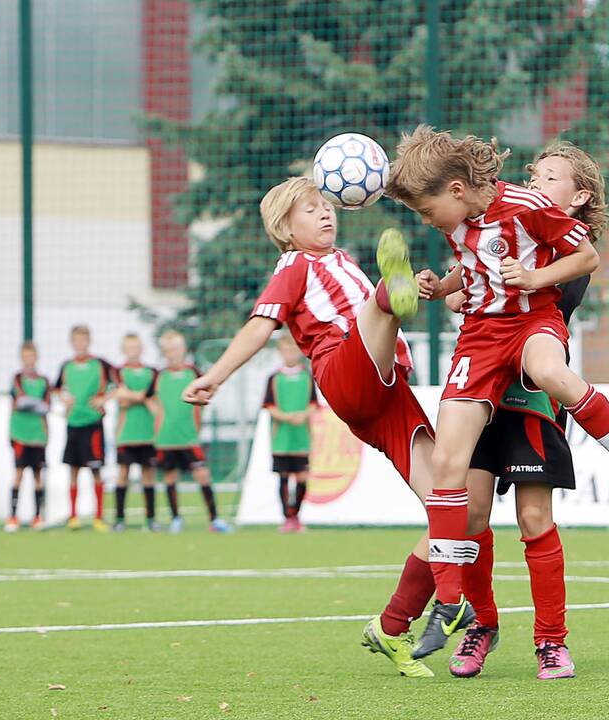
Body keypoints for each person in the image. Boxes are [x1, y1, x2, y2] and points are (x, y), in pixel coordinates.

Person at [384, 125, 609, 662]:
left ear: (456, 190)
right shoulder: (465, 219)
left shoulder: (537, 212)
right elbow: (476, 271)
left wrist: (532, 280)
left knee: (548, 377)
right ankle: (455, 609)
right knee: (450, 467)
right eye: (536, 170)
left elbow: (580, 262)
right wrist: (441, 287)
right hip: (481, 341)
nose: (536, 177)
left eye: (551, 174)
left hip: (530, 342)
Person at [182, 176, 459, 677]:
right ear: (285, 229)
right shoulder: (295, 264)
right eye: (310, 210)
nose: (325, 215)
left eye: (326, 207)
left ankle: (393, 626)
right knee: (378, 308)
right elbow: (260, 325)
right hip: (343, 372)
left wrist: (416, 291)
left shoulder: (343, 261)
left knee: (452, 510)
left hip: (391, 395)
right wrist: (214, 377)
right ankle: (391, 298)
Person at [150, 331, 231, 534]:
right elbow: (149, 398)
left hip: (189, 437)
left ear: (183, 349)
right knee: (170, 478)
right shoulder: (159, 376)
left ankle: (215, 520)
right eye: (167, 351)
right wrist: (160, 417)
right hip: (166, 439)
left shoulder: (193, 372)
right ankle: (176, 519)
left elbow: (210, 388)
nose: (172, 355)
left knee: (203, 475)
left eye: (175, 350)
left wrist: (200, 409)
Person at [55, 325, 114, 532]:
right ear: (72, 343)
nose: (80, 344)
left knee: (96, 470)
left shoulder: (100, 364)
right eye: (76, 340)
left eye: (84, 340)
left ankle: (98, 516)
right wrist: (64, 399)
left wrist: (103, 399)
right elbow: (56, 388)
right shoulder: (66, 366)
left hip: (93, 425)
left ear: (89, 341)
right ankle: (73, 516)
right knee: (73, 470)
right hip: (73, 424)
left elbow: (118, 384)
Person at [262, 333, 318, 532]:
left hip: (301, 437)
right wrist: (286, 417)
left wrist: (303, 415)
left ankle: (296, 515)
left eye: (294, 349)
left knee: (302, 477)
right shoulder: (274, 378)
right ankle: (287, 517)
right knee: (283, 477)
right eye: (286, 350)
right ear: (280, 352)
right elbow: (269, 406)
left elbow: (313, 404)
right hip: (281, 438)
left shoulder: (307, 376)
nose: (290, 354)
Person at [113, 333, 159, 532]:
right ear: (123, 350)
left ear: (142, 349)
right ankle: (119, 519)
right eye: (129, 347)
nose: (133, 351)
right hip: (126, 433)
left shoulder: (152, 372)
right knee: (123, 474)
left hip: (148, 433)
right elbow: (120, 399)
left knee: (148, 475)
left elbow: (154, 401)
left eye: (136, 347)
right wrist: (142, 397)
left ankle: (150, 519)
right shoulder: (118, 372)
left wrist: (131, 395)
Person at [6, 341, 49, 532]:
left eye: (32, 356)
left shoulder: (44, 381)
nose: (29, 360)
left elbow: (46, 407)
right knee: (19, 473)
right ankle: (13, 516)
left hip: (38, 435)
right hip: (20, 435)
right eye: (25, 357)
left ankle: (38, 516)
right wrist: (34, 404)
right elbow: (20, 401)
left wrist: (31, 405)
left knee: (38, 475)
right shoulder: (16, 378)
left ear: (36, 357)